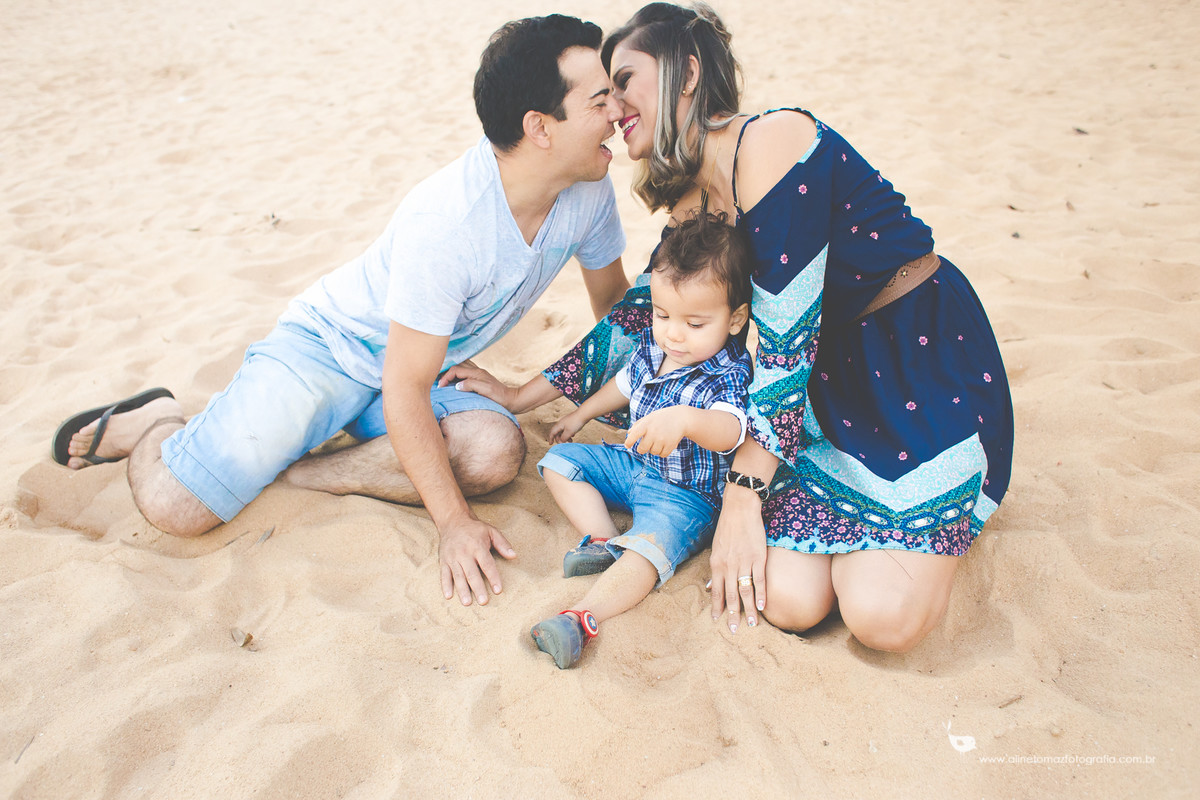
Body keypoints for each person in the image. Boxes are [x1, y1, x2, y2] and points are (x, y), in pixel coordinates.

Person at [444, 2, 1014, 652]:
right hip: (827, 392)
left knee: (881, 618)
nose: (611, 104)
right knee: (792, 603)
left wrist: (743, 500)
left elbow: (783, 345)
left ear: (686, 73)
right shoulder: (694, 199)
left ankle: (936, 511)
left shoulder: (774, 140)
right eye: (601, 93)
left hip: (914, 360)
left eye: (624, 80)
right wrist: (523, 395)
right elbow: (638, 318)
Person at [49, 14, 631, 608]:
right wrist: (454, 524)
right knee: (176, 507)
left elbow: (614, 304)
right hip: (329, 349)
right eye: (599, 98)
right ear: (540, 126)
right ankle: (160, 420)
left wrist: (646, 394)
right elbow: (404, 388)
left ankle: (295, 472)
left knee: (494, 450)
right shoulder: (450, 223)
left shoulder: (588, 189)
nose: (618, 110)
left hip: (423, 365)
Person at [527, 212, 753, 668]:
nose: (673, 333)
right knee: (560, 462)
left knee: (647, 551)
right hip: (634, 465)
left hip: (687, 497)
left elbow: (732, 431)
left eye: (694, 323)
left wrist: (686, 419)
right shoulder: (658, 348)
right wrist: (580, 414)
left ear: (735, 320)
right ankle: (601, 539)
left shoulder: (728, 372)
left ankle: (581, 618)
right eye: (662, 314)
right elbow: (626, 384)